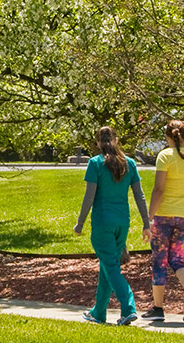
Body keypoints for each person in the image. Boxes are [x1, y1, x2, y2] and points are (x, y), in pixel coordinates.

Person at [73, 127, 150, 326]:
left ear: (98, 142)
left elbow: (89, 197)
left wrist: (79, 223)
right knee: (107, 266)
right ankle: (98, 312)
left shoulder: (95, 163)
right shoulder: (129, 163)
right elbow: (139, 196)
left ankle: (128, 308)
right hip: (122, 222)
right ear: (116, 140)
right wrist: (146, 223)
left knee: (111, 267)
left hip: (102, 223)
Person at [142, 120, 184, 322]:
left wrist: (149, 218)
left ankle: (158, 307)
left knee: (159, 260)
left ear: (167, 136)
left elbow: (159, 189)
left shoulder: (165, 156)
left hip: (163, 216)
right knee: (177, 258)